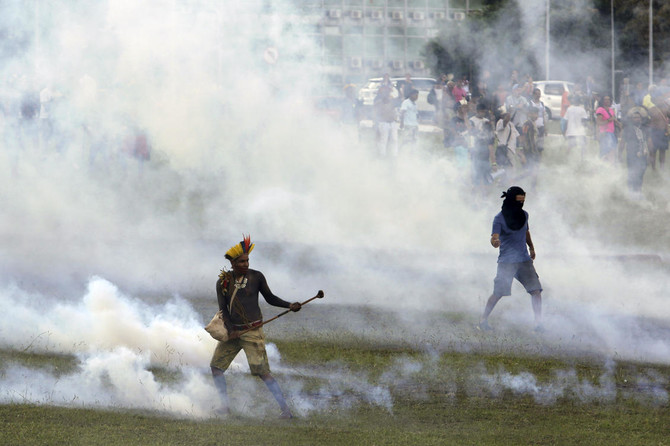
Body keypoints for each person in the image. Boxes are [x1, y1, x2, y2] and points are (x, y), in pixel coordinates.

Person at [210, 236, 302, 419]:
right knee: (216, 367)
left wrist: (289, 305)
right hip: (233, 332)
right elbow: (223, 310)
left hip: (252, 331)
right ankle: (225, 406)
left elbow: (270, 298)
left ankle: (286, 411)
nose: (245, 264)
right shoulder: (223, 282)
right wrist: (231, 330)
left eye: (247, 260)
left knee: (263, 372)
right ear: (233, 263)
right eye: (241, 261)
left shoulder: (256, 276)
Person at [478, 186, 543, 332]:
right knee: (498, 293)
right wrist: (495, 242)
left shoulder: (524, 215)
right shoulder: (499, 219)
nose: (521, 204)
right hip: (506, 262)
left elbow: (526, 232)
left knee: (536, 291)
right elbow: (494, 237)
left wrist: (531, 247)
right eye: (518, 201)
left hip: (524, 260)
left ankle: (538, 324)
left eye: (523, 201)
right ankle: (483, 320)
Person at [617, 110, 650, 197]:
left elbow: (648, 141)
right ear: (631, 119)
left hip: (643, 154)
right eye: (634, 117)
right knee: (632, 173)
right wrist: (619, 154)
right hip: (632, 155)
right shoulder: (627, 129)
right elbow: (622, 142)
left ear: (641, 119)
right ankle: (631, 192)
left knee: (641, 173)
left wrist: (649, 155)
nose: (637, 119)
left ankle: (638, 191)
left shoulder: (644, 129)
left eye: (638, 117)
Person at [595, 95, 619, 163]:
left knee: (612, 151)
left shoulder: (611, 110)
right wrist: (609, 120)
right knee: (608, 151)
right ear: (602, 101)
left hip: (612, 133)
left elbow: (614, 120)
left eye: (608, 99)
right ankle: (607, 166)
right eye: (605, 99)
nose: (607, 101)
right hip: (605, 133)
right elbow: (598, 122)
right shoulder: (600, 110)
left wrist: (619, 124)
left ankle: (610, 166)